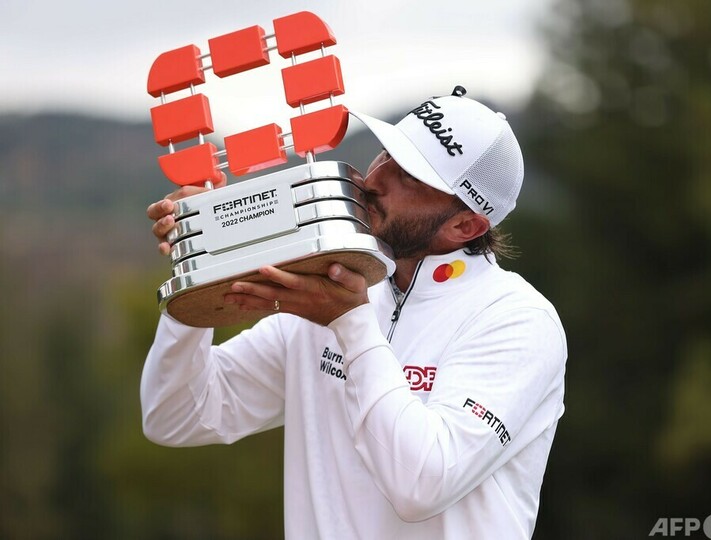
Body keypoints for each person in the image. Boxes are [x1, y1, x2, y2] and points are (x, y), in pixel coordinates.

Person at [141, 86, 567, 539]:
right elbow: (176, 416)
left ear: (465, 225)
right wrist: (198, 268)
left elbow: (422, 484)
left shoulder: (518, 320)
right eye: (387, 154)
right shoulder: (332, 291)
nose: (375, 179)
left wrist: (349, 321)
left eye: (410, 177)